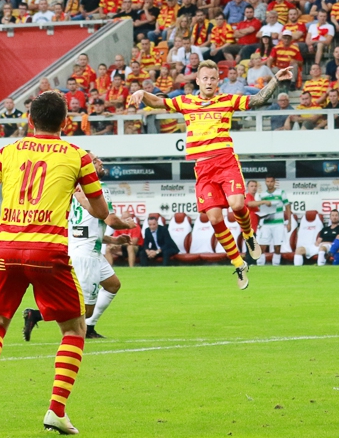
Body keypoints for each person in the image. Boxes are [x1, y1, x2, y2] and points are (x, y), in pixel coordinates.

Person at [0, 90, 110, 435]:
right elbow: (100, 211)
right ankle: (56, 411)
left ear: (30, 119)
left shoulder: (8, 151)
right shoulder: (77, 155)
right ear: (66, 121)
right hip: (48, 252)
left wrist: (3, 229)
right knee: (74, 329)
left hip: (7, 250)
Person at [130, 61, 293, 289]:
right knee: (214, 218)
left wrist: (275, 79)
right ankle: (239, 264)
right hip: (203, 168)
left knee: (237, 204)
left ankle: (249, 235)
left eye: (213, 78)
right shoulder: (186, 102)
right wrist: (142, 93)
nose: (208, 82)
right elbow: (157, 101)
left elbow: (258, 99)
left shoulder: (227, 100)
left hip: (226, 161)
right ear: (197, 81)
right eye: (205, 78)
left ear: (218, 82)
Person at [22, 152, 134, 341]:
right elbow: (111, 220)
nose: (101, 162)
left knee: (113, 285)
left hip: (83, 248)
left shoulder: (71, 191)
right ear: (86, 167)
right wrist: (127, 224)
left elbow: (84, 230)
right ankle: (37, 314)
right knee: (85, 310)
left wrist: (114, 241)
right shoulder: (99, 188)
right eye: (95, 161)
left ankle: (89, 328)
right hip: (87, 256)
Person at [254, 177, 292, 266]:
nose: (269, 183)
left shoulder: (281, 192)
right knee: (262, 246)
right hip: (266, 224)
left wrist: (289, 223)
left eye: (271, 181)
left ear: (274, 182)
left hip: (278, 224)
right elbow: (259, 209)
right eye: (267, 181)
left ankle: (276, 265)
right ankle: (260, 265)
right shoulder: (262, 195)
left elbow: (287, 207)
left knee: (277, 247)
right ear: (265, 182)